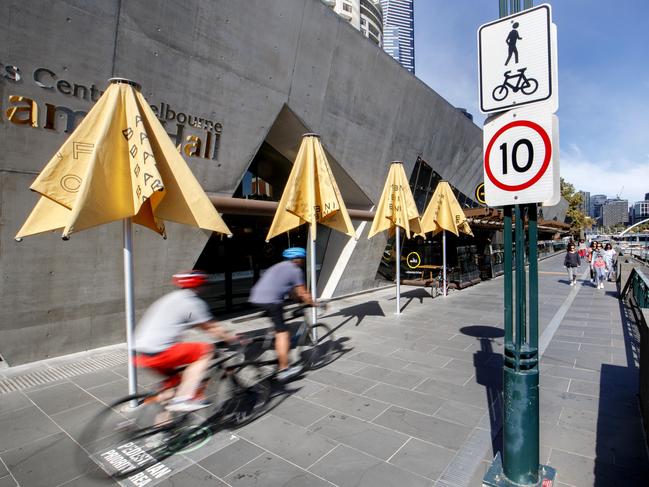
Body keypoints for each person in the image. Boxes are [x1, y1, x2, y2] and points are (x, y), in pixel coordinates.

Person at [134, 271, 238, 412]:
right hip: (161, 351)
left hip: (142, 353)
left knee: (174, 385)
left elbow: (197, 323)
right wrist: (232, 338)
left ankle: (163, 428)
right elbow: (212, 328)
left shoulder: (170, 298)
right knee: (206, 350)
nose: (205, 287)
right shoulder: (192, 302)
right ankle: (184, 399)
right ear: (198, 285)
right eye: (204, 284)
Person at [249, 247, 316, 381]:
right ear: (298, 259)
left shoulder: (278, 266)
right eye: (302, 259)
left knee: (278, 324)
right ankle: (284, 368)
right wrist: (315, 303)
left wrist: (296, 298)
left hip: (256, 298)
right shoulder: (295, 270)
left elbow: (292, 291)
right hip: (271, 301)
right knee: (283, 333)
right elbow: (302, 293)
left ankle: (275, 343)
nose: (302, 261)